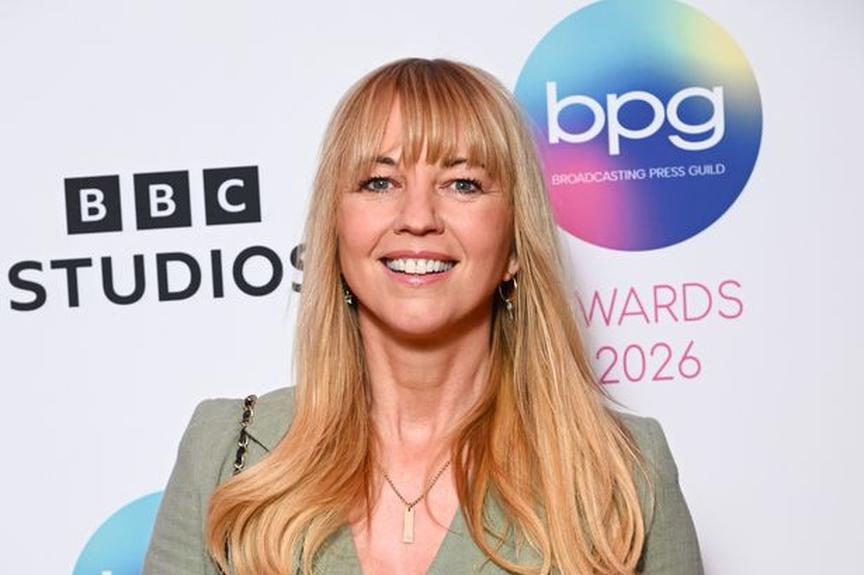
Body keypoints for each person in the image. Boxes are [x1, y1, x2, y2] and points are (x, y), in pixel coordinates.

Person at [142, 58, 703, 575]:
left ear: (513, 243)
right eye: (379, 182)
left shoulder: (621, 469)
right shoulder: (229, 448)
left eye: (462, 184)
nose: (417, 217)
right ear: (336, 231)